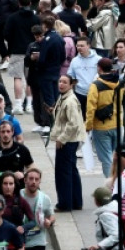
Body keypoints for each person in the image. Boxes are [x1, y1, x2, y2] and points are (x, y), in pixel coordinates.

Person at [49, 76, 85, 212]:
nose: (61, 84)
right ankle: (76, 202)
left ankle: (65, 203)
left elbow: (73, 124)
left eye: (64, 82)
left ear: (71, 85)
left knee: (63, 173)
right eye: (60, 81)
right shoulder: (64, 97)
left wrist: (61, 138)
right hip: (71, 139)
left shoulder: (69, 101)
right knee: (71, 171)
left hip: (68, 140)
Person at [86, 58, 121, 178]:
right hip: (117, 124)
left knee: (106, 159)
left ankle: (111, 186)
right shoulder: (119, 83)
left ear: (99, 68)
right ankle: (119, 183)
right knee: (117, 157)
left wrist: (88, 126)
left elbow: (91, 108)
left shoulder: (96, 85)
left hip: (101, 126)